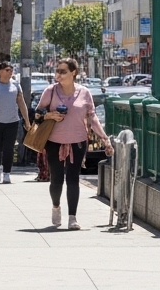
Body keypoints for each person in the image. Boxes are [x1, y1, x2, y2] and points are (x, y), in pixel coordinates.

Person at [36, 58, 112, 229]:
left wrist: (104, 138)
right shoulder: (51, 91)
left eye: (63, 71)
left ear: (73, 73)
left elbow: (92, 117)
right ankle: (56, 206)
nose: (59, 75)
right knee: (56, 180)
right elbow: (38, 113)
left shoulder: (84, 93)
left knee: (73, 178)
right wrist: (49, 115)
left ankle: (72, 217)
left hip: (78, 141)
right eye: (57, 71)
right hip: (54, 141)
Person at [0, 62, 32, 184]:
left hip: (12, 121)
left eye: (11, 70)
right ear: (0, 71)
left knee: (9, 148)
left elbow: (21, 103)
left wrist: (27, 121)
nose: (10, 72)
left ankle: (7, 173)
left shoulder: (16, 85)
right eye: (7, 70)